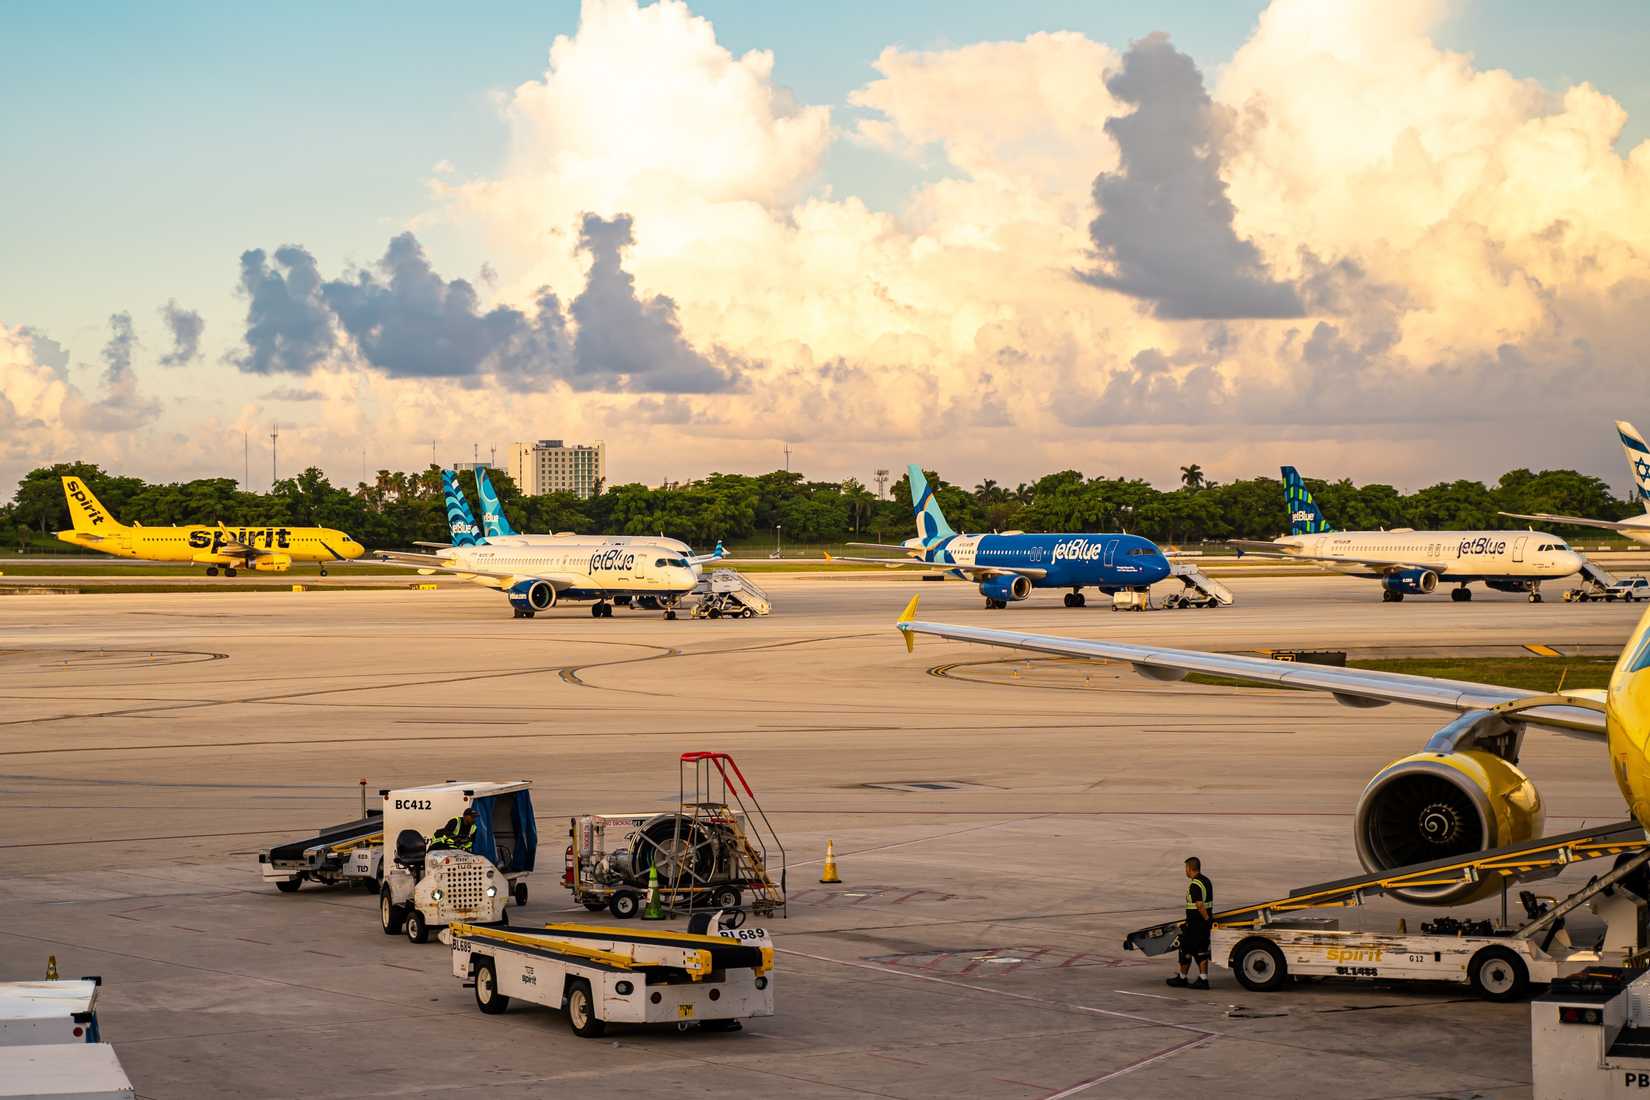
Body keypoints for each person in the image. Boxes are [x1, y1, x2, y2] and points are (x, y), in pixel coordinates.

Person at [1166, 856, 1212, 989]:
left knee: (1184, 948)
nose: (1185, 871)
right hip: (1203, 924)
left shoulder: (1195, 884)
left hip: (1195, 924)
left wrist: (1206, 918)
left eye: (1185, 868)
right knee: (1201, 950)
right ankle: (1203, 979)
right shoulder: (1206, 881)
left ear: (1189, 868)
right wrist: (1208, 921)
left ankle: (1182, 978)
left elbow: (1199, 905)